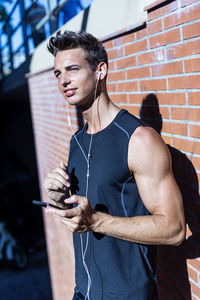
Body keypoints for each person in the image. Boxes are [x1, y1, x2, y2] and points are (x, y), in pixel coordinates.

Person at [44, 30, 185, 300]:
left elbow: (175, 229)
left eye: (72, 69)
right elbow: (83, 213)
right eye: (58, 73)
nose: (63, 80)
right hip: (82, 292)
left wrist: (96, 221)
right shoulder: (77, 141)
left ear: (100, 70)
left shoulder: (139, 139)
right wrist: (59, 199)